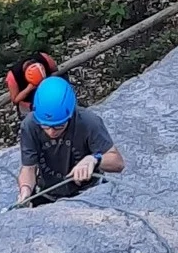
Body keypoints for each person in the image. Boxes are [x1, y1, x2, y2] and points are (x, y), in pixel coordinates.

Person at [17, 77, 124, 206]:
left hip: (88, 192)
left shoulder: (88, 122)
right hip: (48, 193)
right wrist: (25, 190)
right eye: (45, 126)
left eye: (58, 126)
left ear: (70, 116)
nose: (51, 132)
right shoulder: (30, 125)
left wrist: (94, 159)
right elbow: (29, 168)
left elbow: (118, 163)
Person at [5, 51, 58, 118]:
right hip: (28, 100)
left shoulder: (44, 58)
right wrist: (29, 89)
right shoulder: (13, 76)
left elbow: (56, 71)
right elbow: (15, 100)